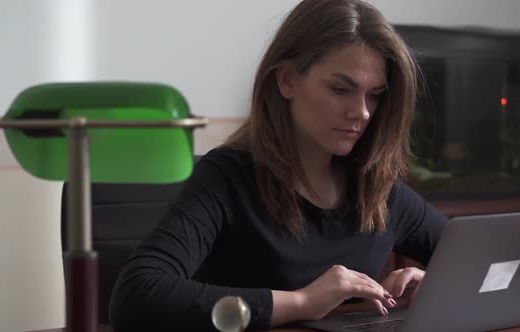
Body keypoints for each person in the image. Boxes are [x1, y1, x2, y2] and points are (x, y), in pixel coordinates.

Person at [109, 0, 448, 330]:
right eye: (341, 89)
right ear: (286, 80)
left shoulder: (379, 189)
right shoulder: (227, 178)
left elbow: (489, 260)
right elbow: (136, 296)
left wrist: (437, 283)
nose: (361, 112)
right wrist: (301, 302)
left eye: (374, 95)